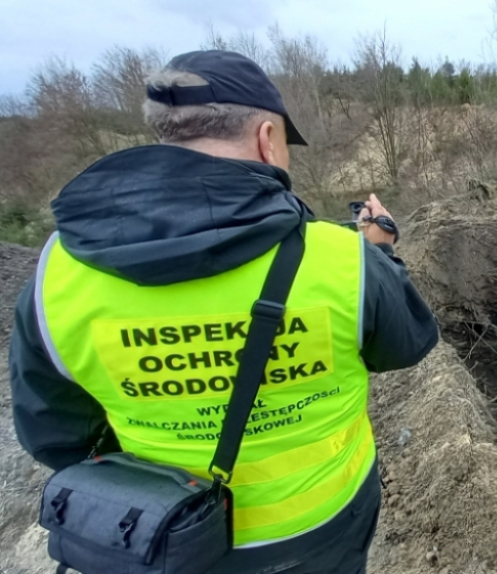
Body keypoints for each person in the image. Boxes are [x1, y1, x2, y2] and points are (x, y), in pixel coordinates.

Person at [7, 50, 439, 574]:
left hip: (160, 537)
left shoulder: (58, 275)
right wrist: (377, 252)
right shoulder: (344, 260)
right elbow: (406, 344)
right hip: (322, 529)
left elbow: (54, 436)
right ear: (266, 138)